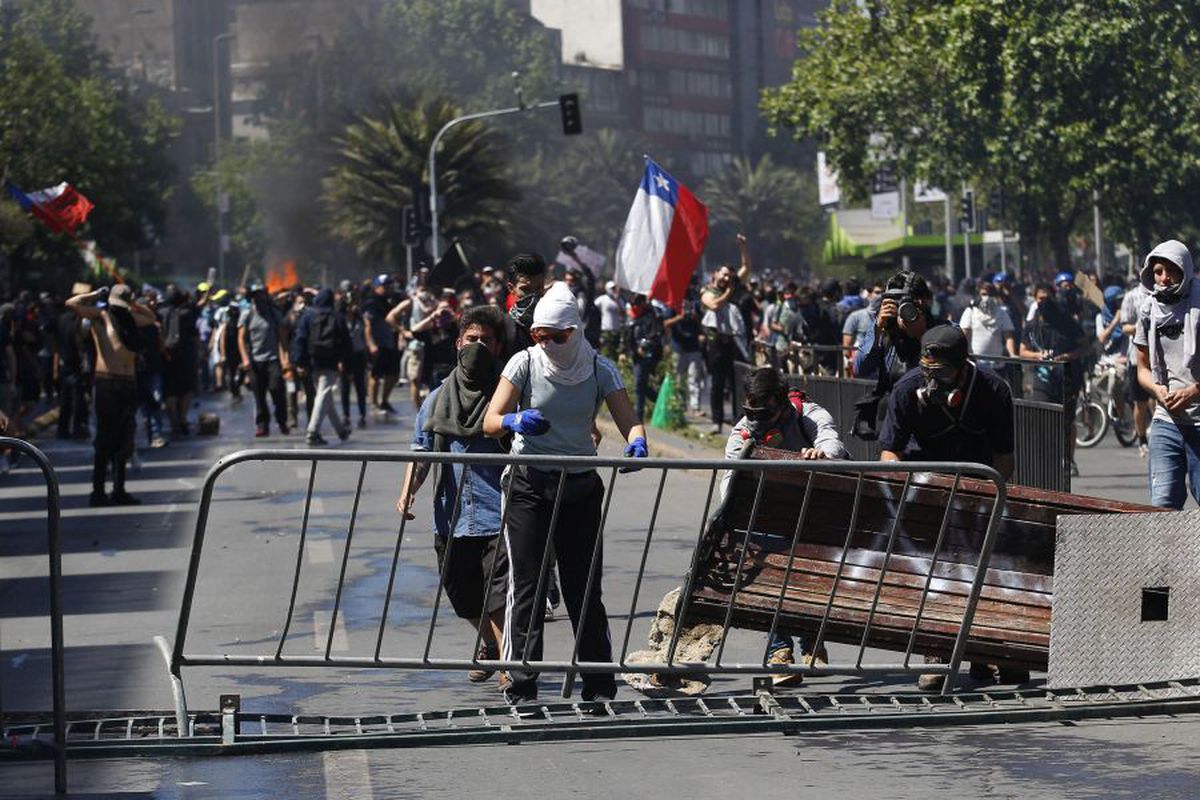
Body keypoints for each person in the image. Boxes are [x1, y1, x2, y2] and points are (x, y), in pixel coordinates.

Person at [483, 281, 649, 705]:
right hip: (528, 485)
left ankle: (598, 684)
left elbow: (629, 419)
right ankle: (521, 686)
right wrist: (515, 422)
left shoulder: (599, 368)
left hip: (579, 487)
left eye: (559, 337)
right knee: (528, 587)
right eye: (541, 336)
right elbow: (491, 419)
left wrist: (637, 442)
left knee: (584, 588)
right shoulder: (524, 363)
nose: (550, 344)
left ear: (575, 331)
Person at [877, 326, 1019, 689]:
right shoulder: (908, 389)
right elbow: (890, 450)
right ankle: (937, 650)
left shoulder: (993, 390)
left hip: (978, 492)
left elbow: (1004, 458)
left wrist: (989, 498)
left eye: (942, 374)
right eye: (929, 373)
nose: (934, 381)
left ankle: (987, 653)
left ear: (962, 366)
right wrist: (901, 489)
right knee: (935, 576)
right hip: (927, 494)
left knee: (983, 573)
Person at [397, 305, 511, 684]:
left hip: (501, 512)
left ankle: (510, 667)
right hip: (453, 515)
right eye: (472, 339)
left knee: (499, 595)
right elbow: (421, 450)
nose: (479, 346)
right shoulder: (437, 399)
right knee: (463, 595)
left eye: (487, 340)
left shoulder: (509, 394)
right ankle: (490, 646)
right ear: (458, 343)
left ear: (498, 347)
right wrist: (407, 491)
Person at [722, 366, 848, 684]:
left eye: (762, 411)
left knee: (808, 577)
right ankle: (780, 651)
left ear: (781, 403)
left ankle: (810, 640)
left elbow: (832, 440)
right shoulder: (744, 432)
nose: (755, 418)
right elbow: (729, 479)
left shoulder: (809, 415)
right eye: (749, 410)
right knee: (774, 574)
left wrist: (822, 455)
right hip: (769, 517)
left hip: (814, 515)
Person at [66, 284, 157, 506]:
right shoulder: (100, 316)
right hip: (107, 381)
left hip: (129, 383)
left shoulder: (129, 319)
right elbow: (72, 304)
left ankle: (119, 489)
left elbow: (150, 317)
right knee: (105, 439)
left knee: (126, 439)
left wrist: (132, 302)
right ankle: (98, 492)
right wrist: (96, 295)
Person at [1134, 240, 1200, 508]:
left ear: (1185, 269)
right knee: (1162, 508)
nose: (1164, 277)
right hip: (1166, 422)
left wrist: (1194, 391)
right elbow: (1142, 368)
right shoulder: (1149, 309)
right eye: (1158, 271)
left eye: (1171, 270)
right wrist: (1157, 390)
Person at [1020, 282, 1090, 473]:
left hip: (1067, 379)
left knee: (1066, 421)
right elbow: (1022, 351)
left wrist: (1069, 356)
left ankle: (1069, 460)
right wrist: (1037, 356)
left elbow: (1085, 346)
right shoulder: (1032, 325)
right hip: (1042, 380)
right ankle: (1045, 462)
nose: (1044, 302)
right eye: (1040, 299)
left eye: (1047, 298)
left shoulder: (1067, 322)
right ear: (1035, 300)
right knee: (1042, 419)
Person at [701, 234, 751, 434]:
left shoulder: (733, 286)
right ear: (716, 274)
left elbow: (746, 267)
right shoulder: (708, 291)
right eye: (723, 275)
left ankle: (738, 421)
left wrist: (743, 247)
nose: (726, 279)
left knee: (737, 383)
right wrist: (730, 291)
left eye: (729, 276)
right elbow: (713, 305)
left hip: (734, 343)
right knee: (717, 384)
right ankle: (717, 420)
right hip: (716, 345)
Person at [292, 288, 352, 446]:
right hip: (331, 362)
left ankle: (341, 431)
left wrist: (299, 362)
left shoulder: (308, 316)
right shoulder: (337, 317)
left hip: (312, 362)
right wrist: (346, 363)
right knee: (324, 394)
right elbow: (346, 343)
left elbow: (300, 339)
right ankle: (313, 432)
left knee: (324, 395)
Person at [239, 281, 291, 437]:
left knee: (277, 390)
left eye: (261, 294)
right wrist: (245, 359)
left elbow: (282, 338)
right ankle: (262, 425)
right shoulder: (247, 314)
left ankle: (282, 422)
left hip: (273, 359)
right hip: (255, 360)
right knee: (259, 395)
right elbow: (241, 338)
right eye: (256, 295)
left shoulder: (273, 313)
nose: (259, 298)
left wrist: (285, 359)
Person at [1121, 276, 1153, 456]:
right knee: (1140, 403)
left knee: (1158, 399)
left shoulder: (1163, 294)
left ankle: (1158, 435)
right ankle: (1142, 439)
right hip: (1137, 357)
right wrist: (1142, 326)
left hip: (1160, 358)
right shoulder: (1132, 296)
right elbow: (1125, 326)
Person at [364, 274, 401, 415]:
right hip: (377, 343)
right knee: (375, 375)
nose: (388, 288)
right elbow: (367, 325)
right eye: (385, 285)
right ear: (377, 287)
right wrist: (371, 344)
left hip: (390, 343)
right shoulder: (371, 303)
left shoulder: (390, 301)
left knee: (393, 375)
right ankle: (373, 404)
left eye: (389, 285)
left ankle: (384, 401)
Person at [623, 293, 664, 421]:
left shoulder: (654, 314)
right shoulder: (631, 315)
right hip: (635, 353)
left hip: (649, 354)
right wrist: (624, 351)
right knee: (641, 384)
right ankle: (659, 400)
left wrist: (644, 346)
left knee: (639, 383)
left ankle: (638, 416)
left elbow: (656, 333)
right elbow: (627, 335)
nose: (635, 307)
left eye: (637, 305)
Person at [959, 279, 1018, 367]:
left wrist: (1012, 354)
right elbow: (964, 334)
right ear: (978, 295)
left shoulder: (1001, 312)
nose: (987, 297)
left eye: (990, 294)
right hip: (977, 364)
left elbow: (1008, 336)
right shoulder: (970, 312)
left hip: (997, 364)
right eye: (984, 294)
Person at [665, 300, 705, 414]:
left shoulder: (695, 302)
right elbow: (666, 323)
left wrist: (695, 317)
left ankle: (695, 406)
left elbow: (702, 321)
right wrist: (680, 317)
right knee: (678, 378)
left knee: (694, 377)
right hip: (678, 348)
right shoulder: (673, 303)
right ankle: (679, 405)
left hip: (694, 347)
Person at [593, 281, 625, 361]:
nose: (614, 290)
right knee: (606, 351)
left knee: (615, 351)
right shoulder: (602, 299)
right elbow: (593, 307)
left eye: (615, 288)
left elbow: (623, 313)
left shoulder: (619, 300)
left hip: (617, 330)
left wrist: (617, 300)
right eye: (612, 288)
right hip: (606, 329)